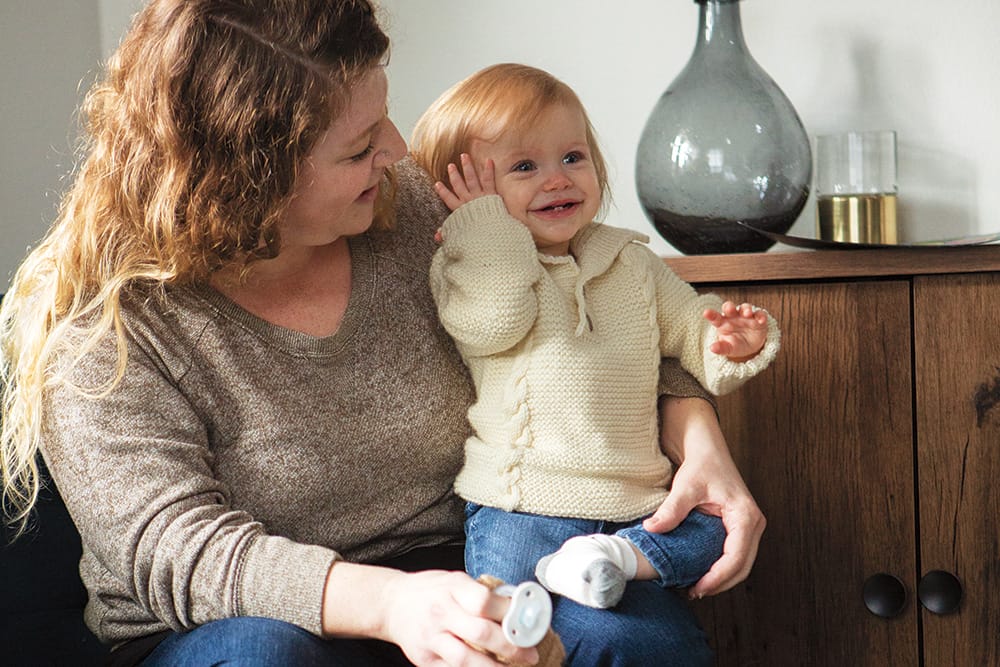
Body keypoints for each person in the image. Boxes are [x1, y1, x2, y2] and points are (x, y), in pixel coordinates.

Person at [0, 2, 764, 666]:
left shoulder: (419, 215)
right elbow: (179, 550)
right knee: (267, 655)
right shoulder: (106, 328)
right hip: (244, 620)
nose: (398, 151)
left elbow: (603, 309)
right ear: (246, 182)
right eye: (360, 147)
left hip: (466, 570)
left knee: (630, 639)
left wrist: (701, 442)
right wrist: (397, 607)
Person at [410, 60, 779, 637]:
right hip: (519, 505)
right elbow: (496, 323)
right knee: (510, 635)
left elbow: (686, 323)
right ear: (468, 195)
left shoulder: (631, 262)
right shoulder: (472, 265)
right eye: (524, 166)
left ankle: (605, 561)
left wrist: (728, 342)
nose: (557, 179)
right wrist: (484, 229)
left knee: (714, 530)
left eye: (572, 158)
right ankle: (590, 565)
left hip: (632, 502)